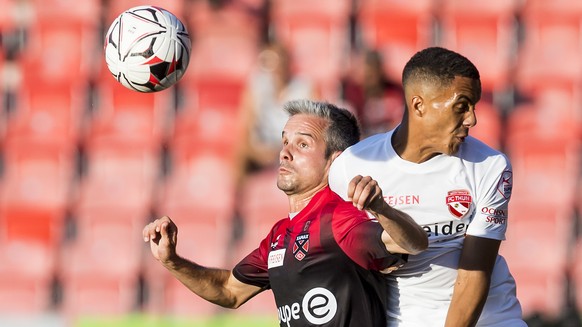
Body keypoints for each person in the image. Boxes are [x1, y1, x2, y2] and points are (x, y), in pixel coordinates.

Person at [143, 99, 428, 326]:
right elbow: (229, 291)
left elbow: (410, 243)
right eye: (285, 142)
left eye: (302, 144)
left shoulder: (339, 218)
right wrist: (172, 261)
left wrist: (382, 210)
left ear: (336, 161)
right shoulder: (281, 234)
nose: (284, 153)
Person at [329, 47, 527, 326]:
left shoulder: (490, 165)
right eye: (462, 106)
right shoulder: (352, 166)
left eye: (474, 107)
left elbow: (473, 273)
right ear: (418, 105)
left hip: (489, 321)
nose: (472, 119)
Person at [229, 41, 319, 251]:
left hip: (293, 147)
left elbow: (313, 129)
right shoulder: (257, 85)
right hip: (264, 147)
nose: (273, 70)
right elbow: (246, 125)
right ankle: (235, 213)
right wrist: (257, 149)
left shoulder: (305, 87)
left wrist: (284, 149)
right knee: (239, 153)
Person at [341, 49, 404, 137]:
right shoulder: (353, 93)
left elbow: (400, 123)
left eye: (375, 72)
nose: (372, 79)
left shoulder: (395, 92)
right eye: (368, 74)